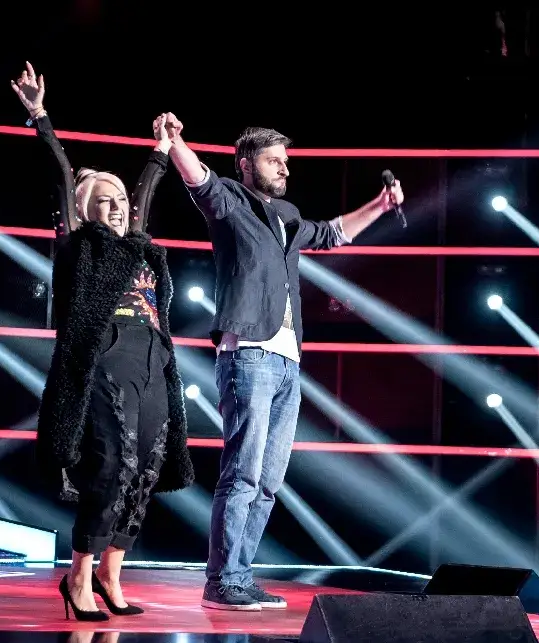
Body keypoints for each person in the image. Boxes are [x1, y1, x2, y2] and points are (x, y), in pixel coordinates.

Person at [164, 115, 404, 611]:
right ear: (245, 164)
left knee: (268, 481)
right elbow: (199, 181)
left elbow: (332, 233)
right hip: (249, 352)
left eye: (286, 162)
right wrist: (175, 143)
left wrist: (380, 205)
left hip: (288, 359)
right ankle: (221, 580)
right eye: (274, 161)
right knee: (243, 473)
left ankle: (240, 575)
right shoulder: (231, 200)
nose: (284, 169)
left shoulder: (288, 215)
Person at [11, 63, 194, 621]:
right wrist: (40, 116)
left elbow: (147, 192)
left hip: (152, 355)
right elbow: (61, 173)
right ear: (83, 209)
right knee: (112, 462)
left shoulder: (139, 246)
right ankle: (78, 576)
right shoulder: (79, 246)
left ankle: (112, 574)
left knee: (147, 466)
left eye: (119, 198)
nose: (114, 205)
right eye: (102, 199)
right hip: (104, 351)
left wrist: (163, 147)